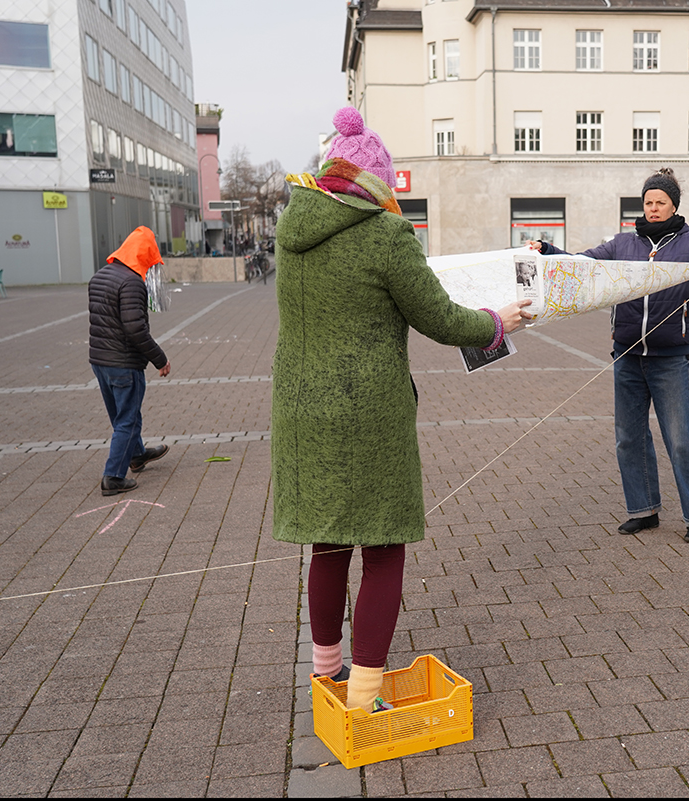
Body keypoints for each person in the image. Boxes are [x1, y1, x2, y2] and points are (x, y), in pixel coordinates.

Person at [274, 107, 534, 712]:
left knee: (327, 545)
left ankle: (327, 678)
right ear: (379, 182)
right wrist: (497, 321)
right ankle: (364, 699)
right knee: (384, 547)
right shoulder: (387, 235)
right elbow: (441, 319)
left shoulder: (292, 232)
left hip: (300, 411)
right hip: (366, 414)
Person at [529, 167, 689, 543]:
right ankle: (643, 511)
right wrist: (547, 251)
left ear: (674, 205)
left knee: (680, 440)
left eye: (660, 202)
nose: (653, 208)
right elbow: (582, 265)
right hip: (626, 357)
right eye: (648, 202)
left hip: (671, 359)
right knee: (629, 438)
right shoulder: (621, 245)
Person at [87, 226, 172, 496]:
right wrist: (160, 359)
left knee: (121, 416)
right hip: (123, 363)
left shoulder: (101, 275)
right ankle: (113, 476)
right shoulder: (132, 282)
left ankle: (136, 454)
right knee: (128, 419)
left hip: (100, 360)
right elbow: (135, 329)